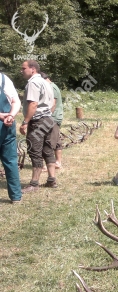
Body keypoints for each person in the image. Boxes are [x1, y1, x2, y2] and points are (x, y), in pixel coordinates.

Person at [19, 60, 59, 193]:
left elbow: (33, 104)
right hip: (48, 119)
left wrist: (25, 122)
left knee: (34, 150)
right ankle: (51, 180)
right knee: (47, 149)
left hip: (37, 120)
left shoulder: (33, 82)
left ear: (33, 69)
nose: (21, 71)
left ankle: (34, 184)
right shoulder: (46, 82)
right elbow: (53, 103)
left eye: (23, 68)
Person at [0, 72, 22, 204]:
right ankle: (16, 196)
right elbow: (16, 101)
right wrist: (11, 115)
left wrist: (4, 116)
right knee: (11, 161)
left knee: (11, 160)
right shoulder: (4, 78)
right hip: (7, 124)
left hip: (5, 119)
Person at [41, 72, 63, 168]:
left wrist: (47, 117)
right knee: (56, 140)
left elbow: (53, 104)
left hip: (52, 117)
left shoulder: (51, 87)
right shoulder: (52, 86)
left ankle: (49, 164)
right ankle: (57, 162)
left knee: (50, 141)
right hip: (55, 117)